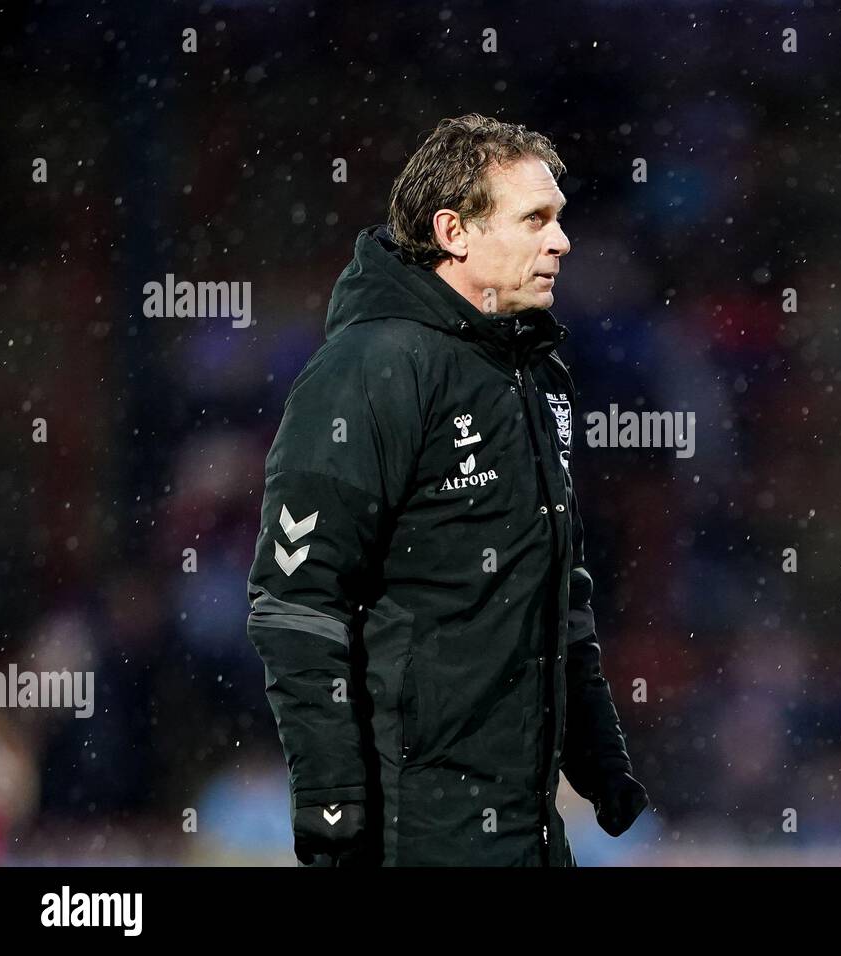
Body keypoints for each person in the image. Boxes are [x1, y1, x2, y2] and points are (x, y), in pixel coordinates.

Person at [245, 113, 648, 866]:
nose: (560, 241)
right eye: (536, 218)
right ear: (454, 231)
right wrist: (333, 806)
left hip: (525, 825)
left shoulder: (537, 375)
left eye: (559, 219)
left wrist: (599, 761)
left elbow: (561, 592)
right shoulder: (368, 369)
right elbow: (297, 601)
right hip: (412, 832)